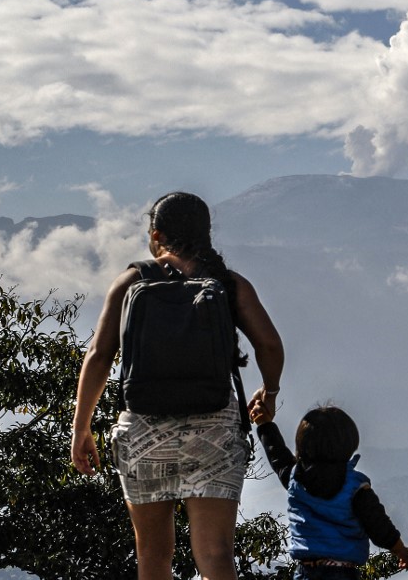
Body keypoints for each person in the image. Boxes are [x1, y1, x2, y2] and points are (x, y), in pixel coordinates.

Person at [71, 191, 284, 580]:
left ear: (156, 236)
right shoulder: (227, 283)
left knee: (153, 556)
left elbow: (99, 356)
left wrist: (81, 427)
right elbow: (269, 344)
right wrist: (269, 393)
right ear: (206, 234)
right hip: (214, 433)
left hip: (144, 433)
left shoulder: (132, 280)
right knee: (217, 555)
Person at [248, 399, 408, 580]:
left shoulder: (297, 480)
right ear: (349, 445)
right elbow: (378, 525)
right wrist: (399, 549)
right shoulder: (356, 488)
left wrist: (264, 423)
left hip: (306, 572)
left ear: (302, 446)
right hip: (344, 573)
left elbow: (277, 454)